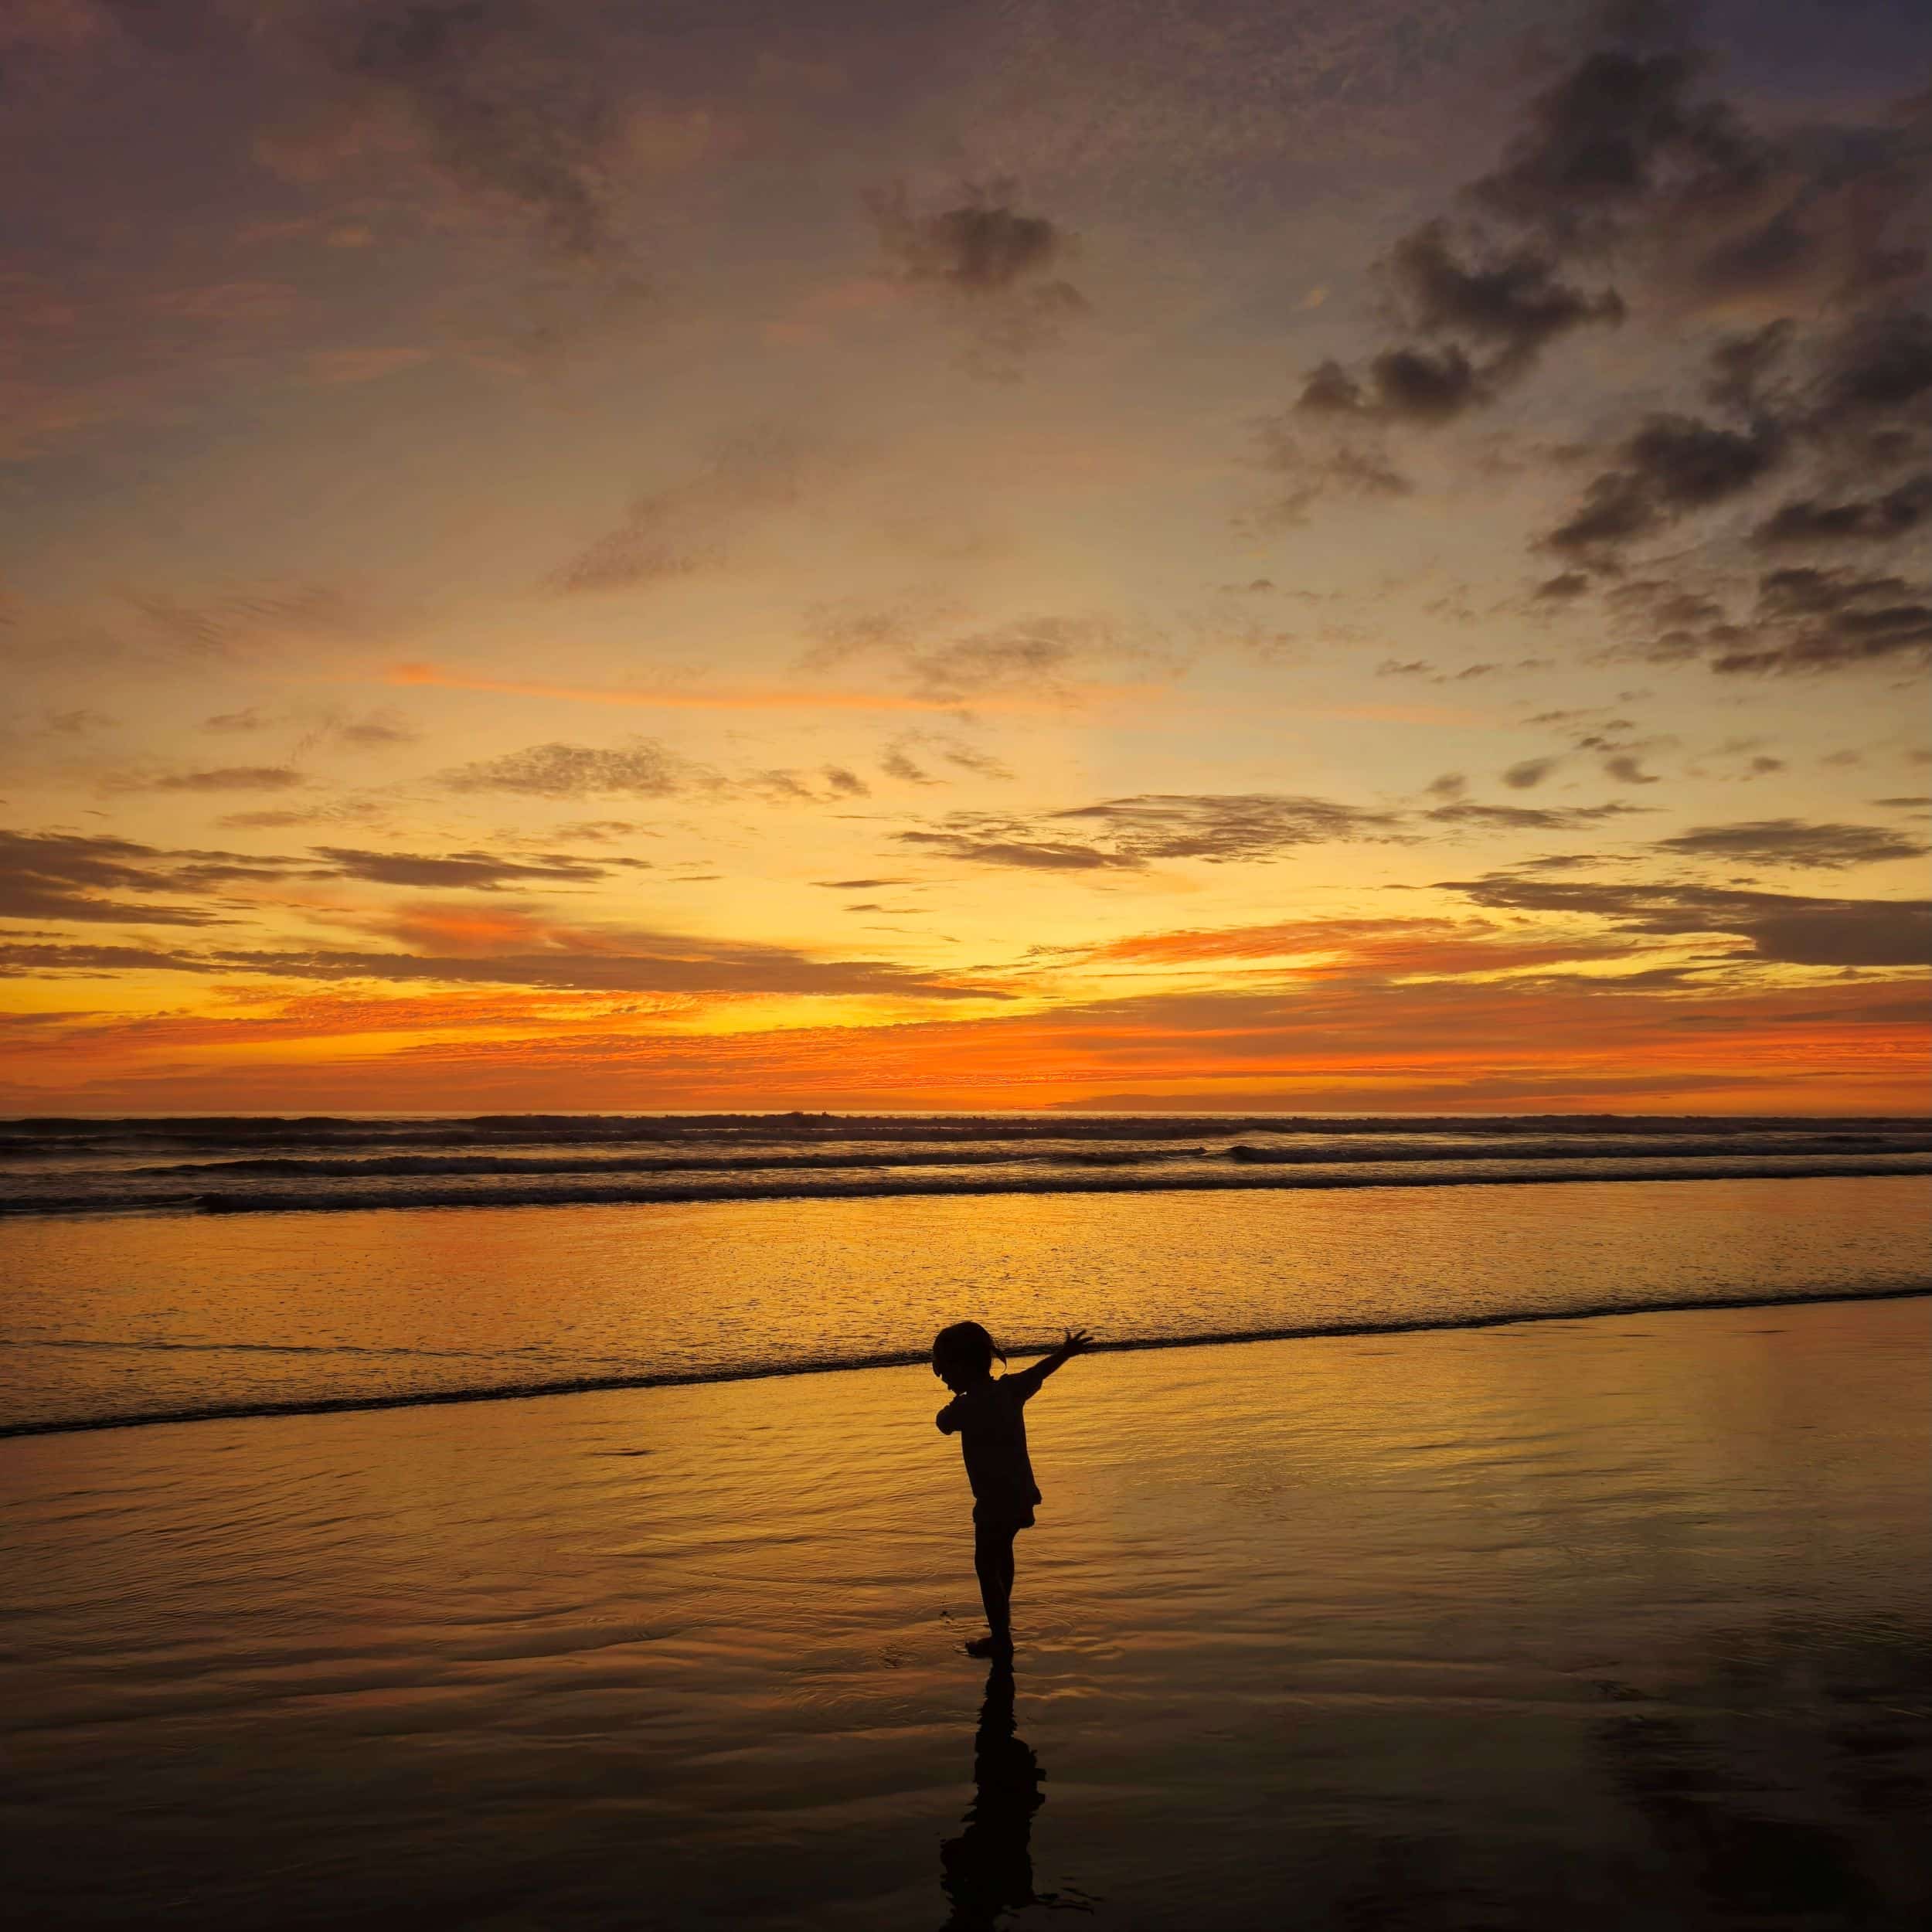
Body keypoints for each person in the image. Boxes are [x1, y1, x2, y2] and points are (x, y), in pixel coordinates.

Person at [932, 1320, 1094, 1658]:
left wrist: (952, 1408)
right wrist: (1065, 1352)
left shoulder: (966, 1407)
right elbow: (1040, 1371)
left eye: (944, 1371)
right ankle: (1001, 1627)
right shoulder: (1009, 1390)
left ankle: (1000, 1637)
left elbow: (943, 1423)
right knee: (1001, 1556)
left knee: (985, 1565)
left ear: (961, 1366)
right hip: (1020, 1495)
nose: (943, 1379)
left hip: (993, 1502)